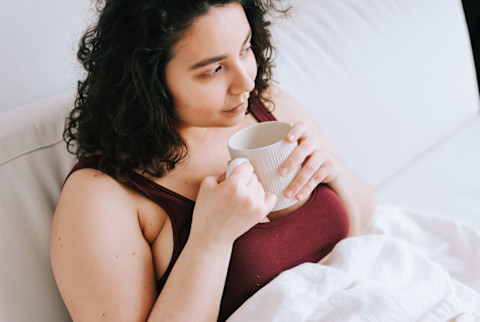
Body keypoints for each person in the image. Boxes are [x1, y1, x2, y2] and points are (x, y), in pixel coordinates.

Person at [50, 0, 376, 321]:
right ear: (148, 81)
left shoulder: (271, 108)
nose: (247, 82)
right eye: (214, 69)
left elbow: (361, 232)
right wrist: (211, 239)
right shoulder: (100, 194)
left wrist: (335, 171)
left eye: (245, 49)